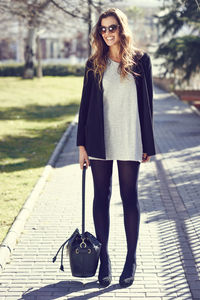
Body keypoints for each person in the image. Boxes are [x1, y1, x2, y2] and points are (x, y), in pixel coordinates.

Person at [77, 8, 156, 288]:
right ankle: (105, 259)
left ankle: (131, 258)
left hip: (130, 136)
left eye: (112, 28)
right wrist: (81, 145)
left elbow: (148, 105)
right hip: (100, 138)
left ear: (121, 29)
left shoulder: (141, 60)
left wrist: (148, 142)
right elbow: (84, 107)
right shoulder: (94, 63)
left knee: (129, 196)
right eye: (103, 29)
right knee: (101, 196)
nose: (108, 33)